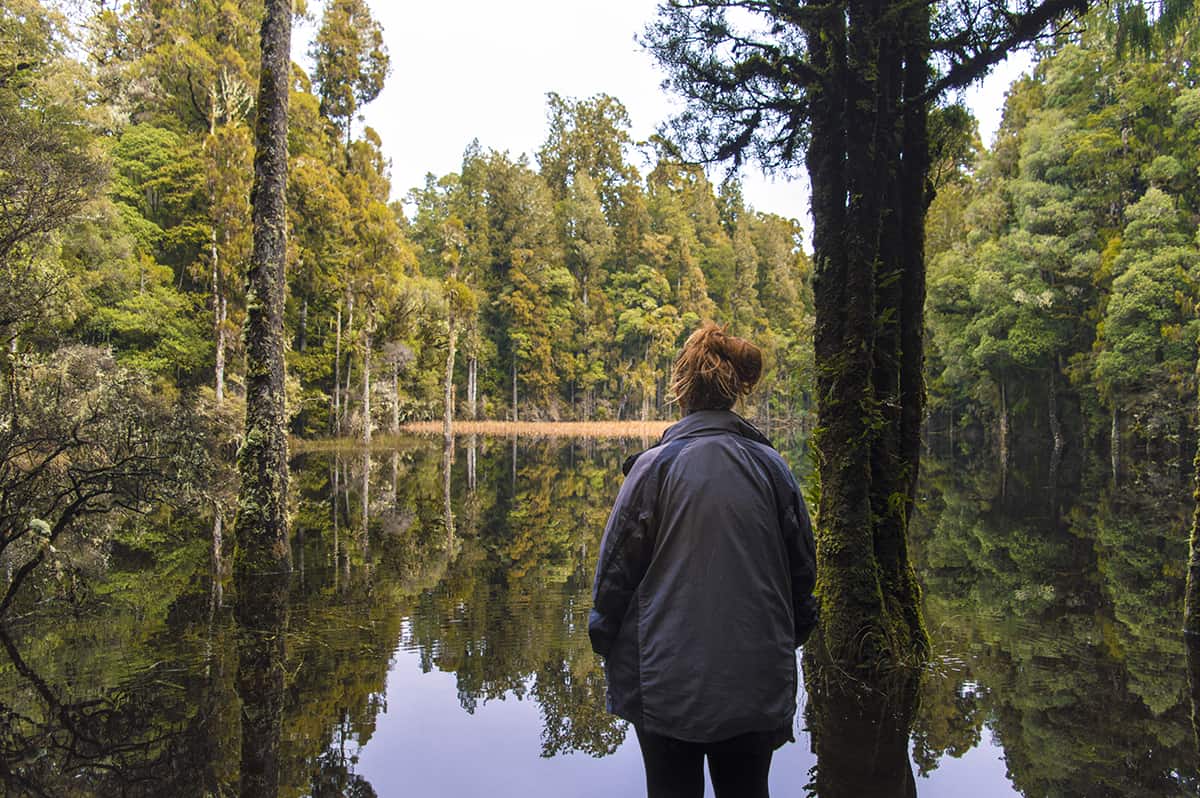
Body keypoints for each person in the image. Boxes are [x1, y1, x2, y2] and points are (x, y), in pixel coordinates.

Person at [589, 321, 818, 798]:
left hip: (664, 686)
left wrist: (607, 641)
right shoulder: (773, 470)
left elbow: (613, 580)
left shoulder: (654, 469)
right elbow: (804, 579)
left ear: (682, 390)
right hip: (756, 686)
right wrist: (782, 641)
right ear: (735, 392)